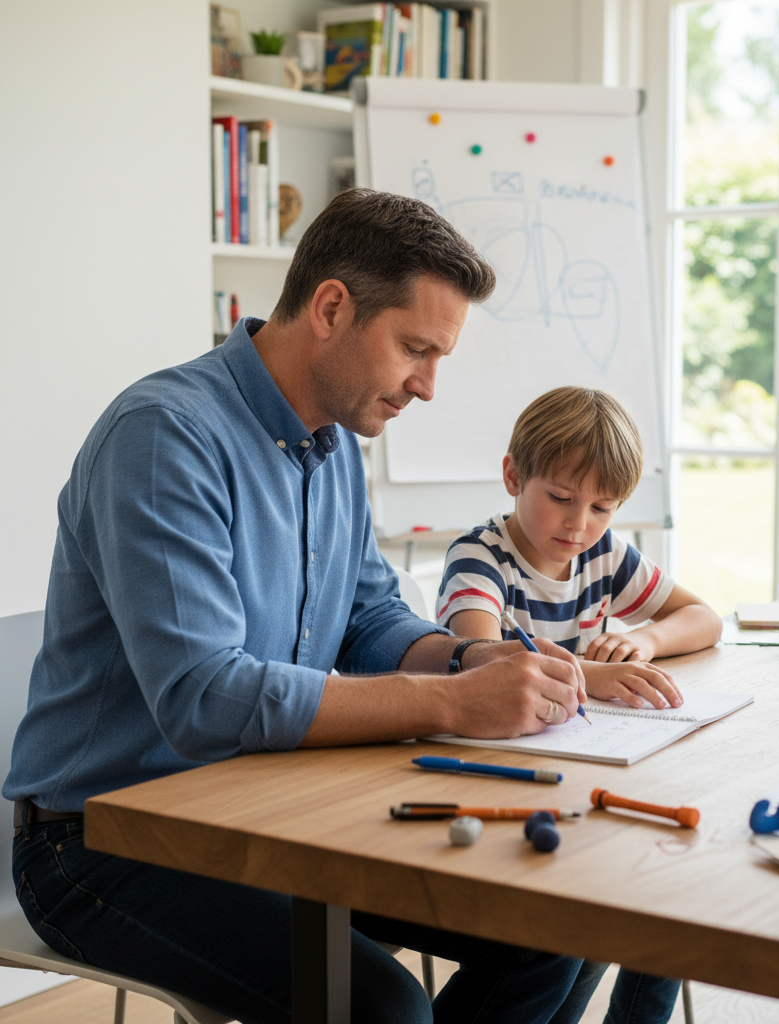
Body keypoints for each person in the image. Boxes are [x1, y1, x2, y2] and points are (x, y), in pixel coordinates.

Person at [4, 189, 591, 1024]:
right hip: (102, 842)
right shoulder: (165, 436)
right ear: (331, 307)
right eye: (415, 350)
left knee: (555, 927)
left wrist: (468, 658)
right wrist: (455, 701)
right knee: (385, 1009)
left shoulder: (335, 445)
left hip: (266, 804)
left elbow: (371, 617)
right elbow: (206, 696)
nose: (426, 386)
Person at [435, 385, 723, 1024]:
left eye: (602, 507)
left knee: (651, 892)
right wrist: (588, 675)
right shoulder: (480, 558)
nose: (578, 525)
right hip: (498, 782)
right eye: (561, 499)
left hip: (581, 776)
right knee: (581, 929)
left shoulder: (603, 554)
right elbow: (479, 659)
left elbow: (703, 618)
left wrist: (644, 637)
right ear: (514, 475)